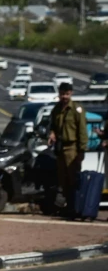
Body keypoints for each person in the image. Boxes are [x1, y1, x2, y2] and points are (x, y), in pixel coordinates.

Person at [48, 82, 87, 212]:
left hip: (72, 148)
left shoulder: (76, 109)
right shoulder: (56, 109)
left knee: (73, 179)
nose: (64, 96)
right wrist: (52, 134)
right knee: (62, 179)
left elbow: (82, 130)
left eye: (67, 94)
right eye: (62, 94)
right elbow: (52, 125)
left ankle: (75, 207)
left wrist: (81, 150)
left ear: (71, 93)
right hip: (60, 147)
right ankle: (64, 207)